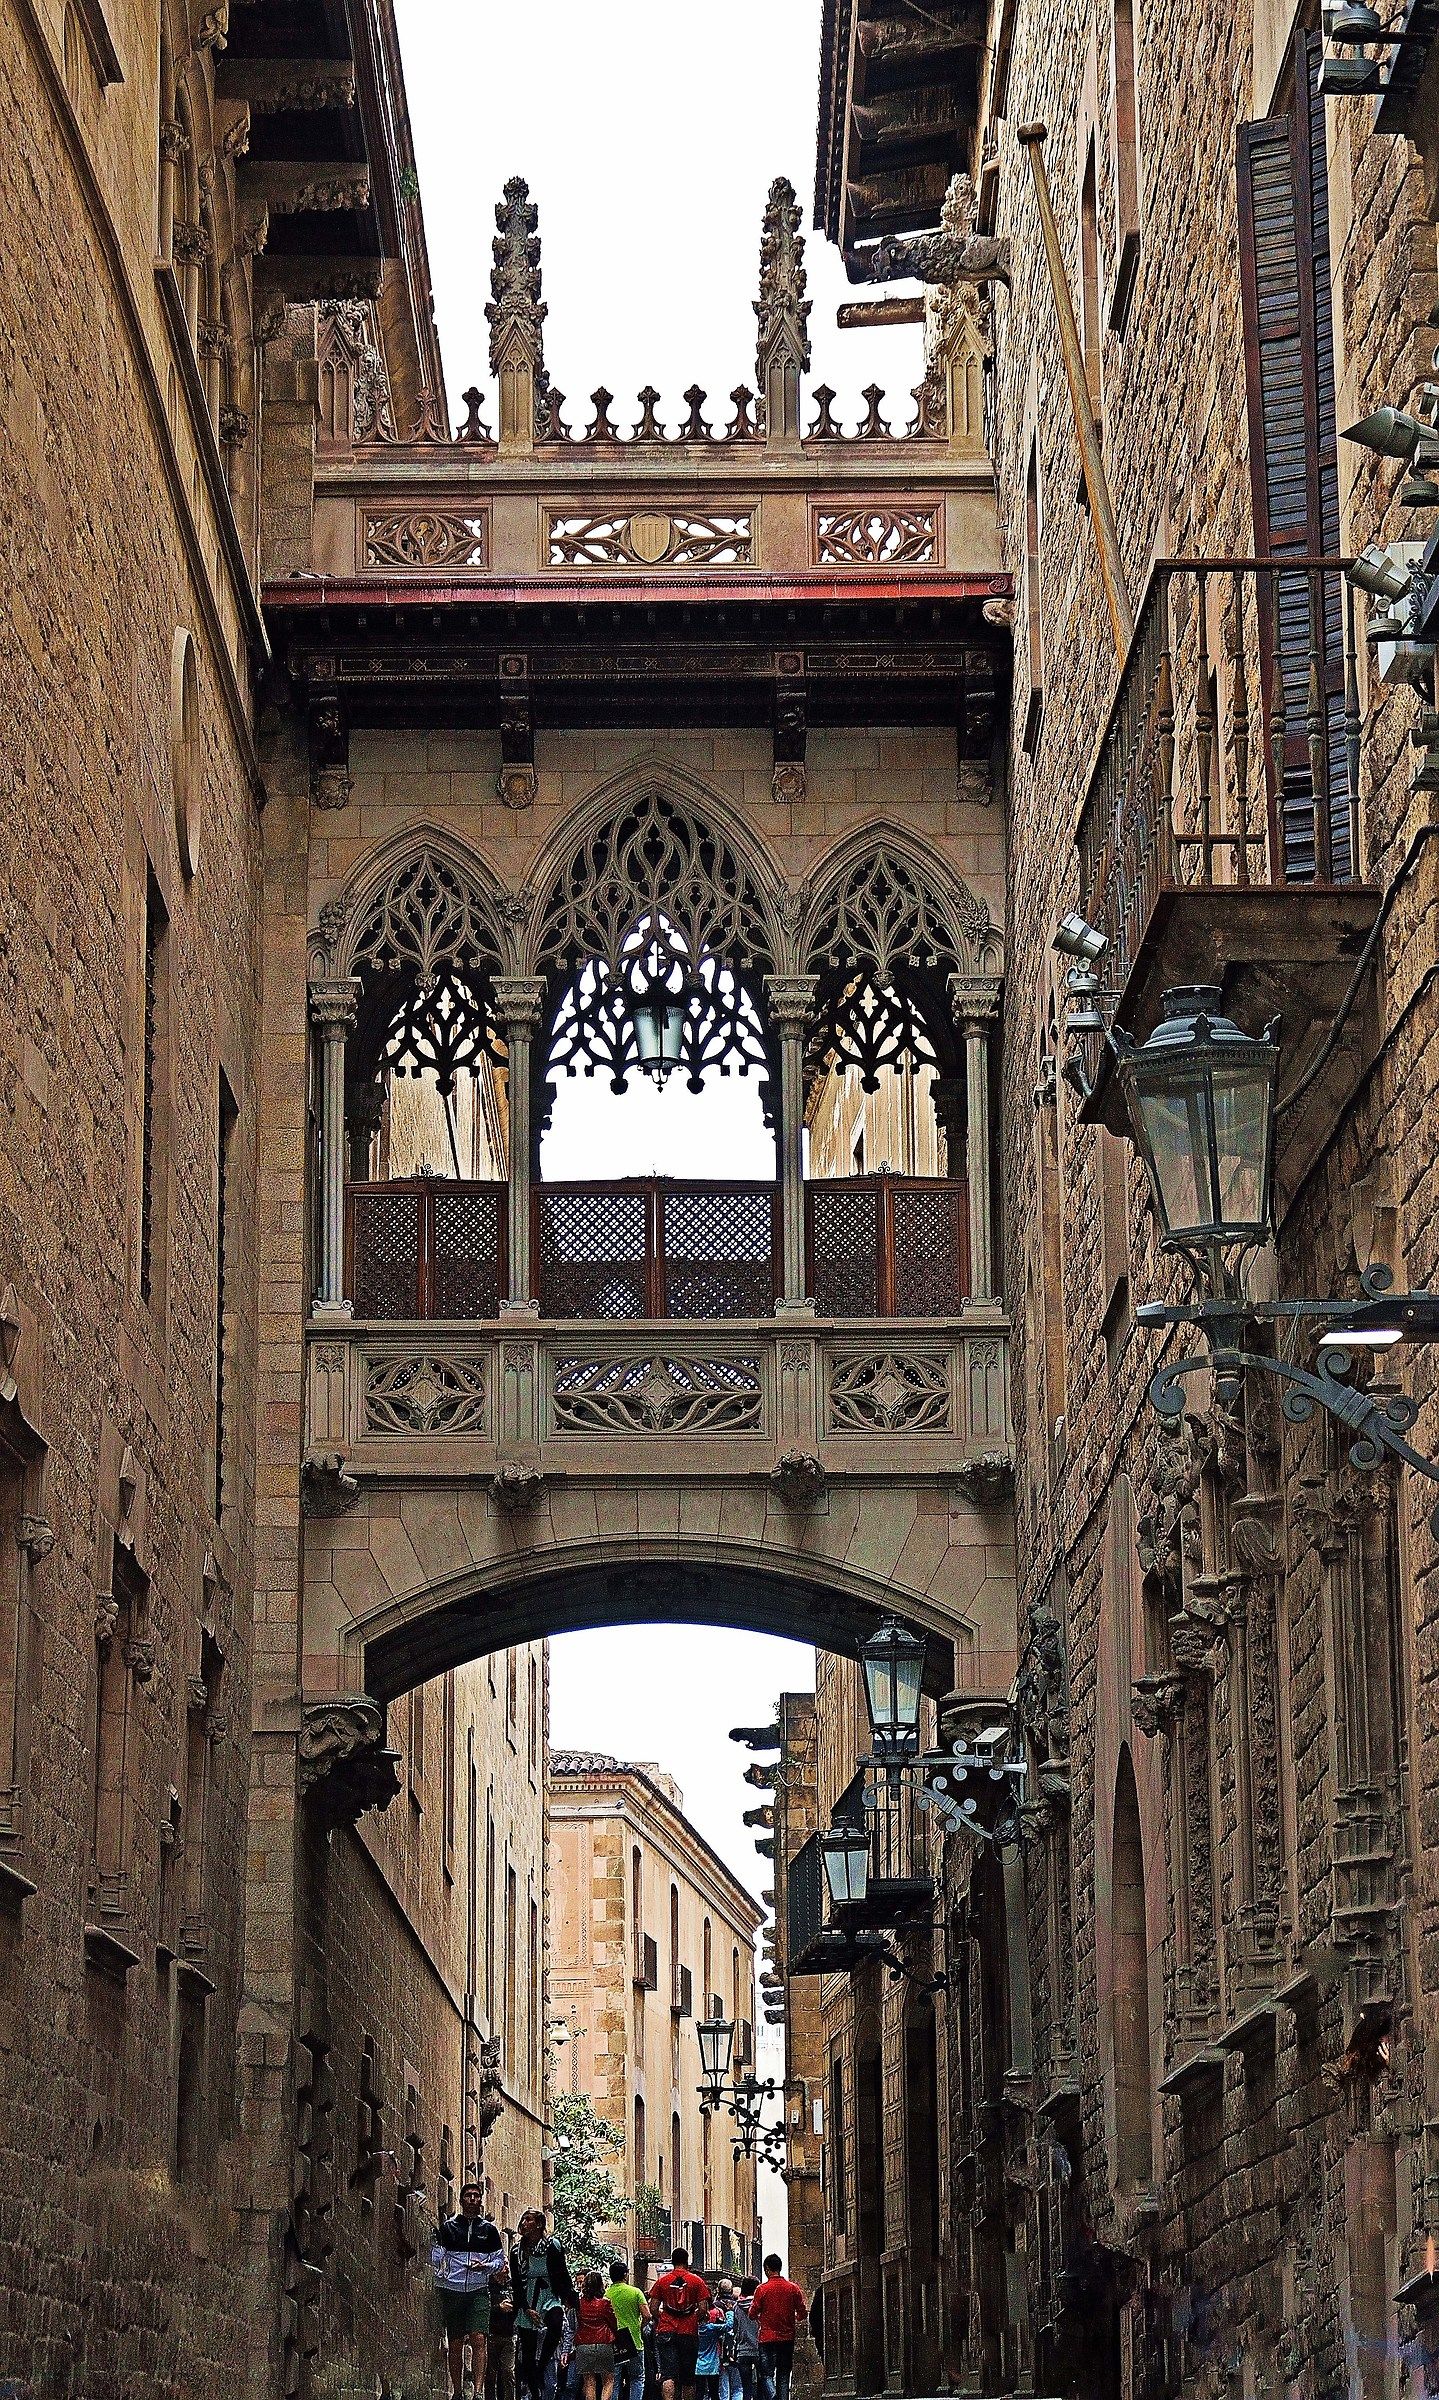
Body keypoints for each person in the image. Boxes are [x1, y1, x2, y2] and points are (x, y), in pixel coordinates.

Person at [432, 2183, 507, 2400]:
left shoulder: (489, 2231)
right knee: (454, 2342)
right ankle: (456, 2391)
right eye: (469, 2195)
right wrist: (441, 2268)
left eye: (476, 2195)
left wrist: (485, 2267)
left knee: (479, 2339)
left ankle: (478, 2391)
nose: (473, 2199)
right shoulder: (448, 2228)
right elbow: (437, 2256)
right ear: (461, 2200)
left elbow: (499, 2261)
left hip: (478, 2290)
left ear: (480, 2200)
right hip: (452, 2291)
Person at [512, 2209, 579, 2400]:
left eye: (529, 2219)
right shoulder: (517, 2251)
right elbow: (516, 2283)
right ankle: (535, 2391)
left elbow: (562, 2273)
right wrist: (526, 2308)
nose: (524, 2223)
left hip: (549, 2294)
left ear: (539, 2224)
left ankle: (543, 2365)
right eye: (523, 2219)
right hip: (527, 2298)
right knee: (528, 2351)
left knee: (556, 2322)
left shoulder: (553, 2246)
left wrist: (569, 2296)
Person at [647, 2245, 711, 2400]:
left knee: (668, 2375)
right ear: (687, 2262)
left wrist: (663, 2317)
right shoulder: (697, 2281)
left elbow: (653, 2308)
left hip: (666, 2330)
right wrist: (694, 2318)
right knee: (688, 2378)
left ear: (673, 2262)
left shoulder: (662, 2281)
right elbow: (703, 2308)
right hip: (688, 2332)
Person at [749, 2257, 806, 2400]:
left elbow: (752, 2313)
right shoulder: (793, 2288)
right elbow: (802, 2312)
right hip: (787, 2338)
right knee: (784, 2374)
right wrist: (794, 2319)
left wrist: (760, 2319)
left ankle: (773, 2395)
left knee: (766, 2374)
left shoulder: (762, 2289)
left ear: (767, 2269)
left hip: (767, 2338)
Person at [604, 2258, 651, 2400]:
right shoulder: (636, 2292)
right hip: (634, 2340)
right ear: (625, 2275)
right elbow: (647, 2316)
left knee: (614, 2381)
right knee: (637, 2378)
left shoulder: (606, 2295)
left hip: (614, 2341)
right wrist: (639, 2327)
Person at [572, 2270, 620, 2400]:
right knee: (608, 2380)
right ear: (601, 2285)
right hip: (604, 2343)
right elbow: (613, 2323)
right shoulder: (605, 2303)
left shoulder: (579, 2304)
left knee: (589, 2382)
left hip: (583, 2344)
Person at [488, 2247, 519, 2400]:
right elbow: (482, 2309)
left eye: (507, 2265)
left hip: (509, 2335)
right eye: (503, 2265)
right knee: (490, 2374)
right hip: (491, 2335)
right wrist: (498, 2308)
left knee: (508, 2372)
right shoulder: (486, 2286)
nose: (506, 2268)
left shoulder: (513, 2285)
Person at [694, 2291, 734, 2400]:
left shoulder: (693, 2329)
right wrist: (730, 2311)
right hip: (712, 2366)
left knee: (699, 2393)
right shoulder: (712, 2328)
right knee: (714, 2393)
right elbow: (729, 2326)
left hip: (697, 2366)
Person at [730, 2279, 761, 2400]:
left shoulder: (737, 2307)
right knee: (761, 2384)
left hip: (742, 2350)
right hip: (758, 2348)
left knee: (746, 2387)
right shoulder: (759, 2305)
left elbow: (735, 2329)